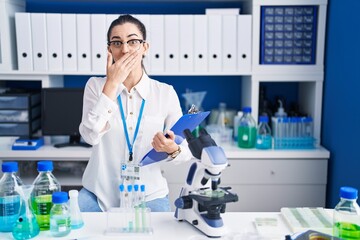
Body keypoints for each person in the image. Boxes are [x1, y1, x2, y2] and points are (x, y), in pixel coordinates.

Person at [78, 14, 192, 212]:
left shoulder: (164, 92)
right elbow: (89, 136)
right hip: (99, 194)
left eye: (133, 41)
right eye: (117, 43)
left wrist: (172, 148)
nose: (124, 49)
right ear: (109, 49)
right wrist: (111, 85)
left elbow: (186, 152)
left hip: (149, 194)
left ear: (144, 47)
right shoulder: (96, 86)